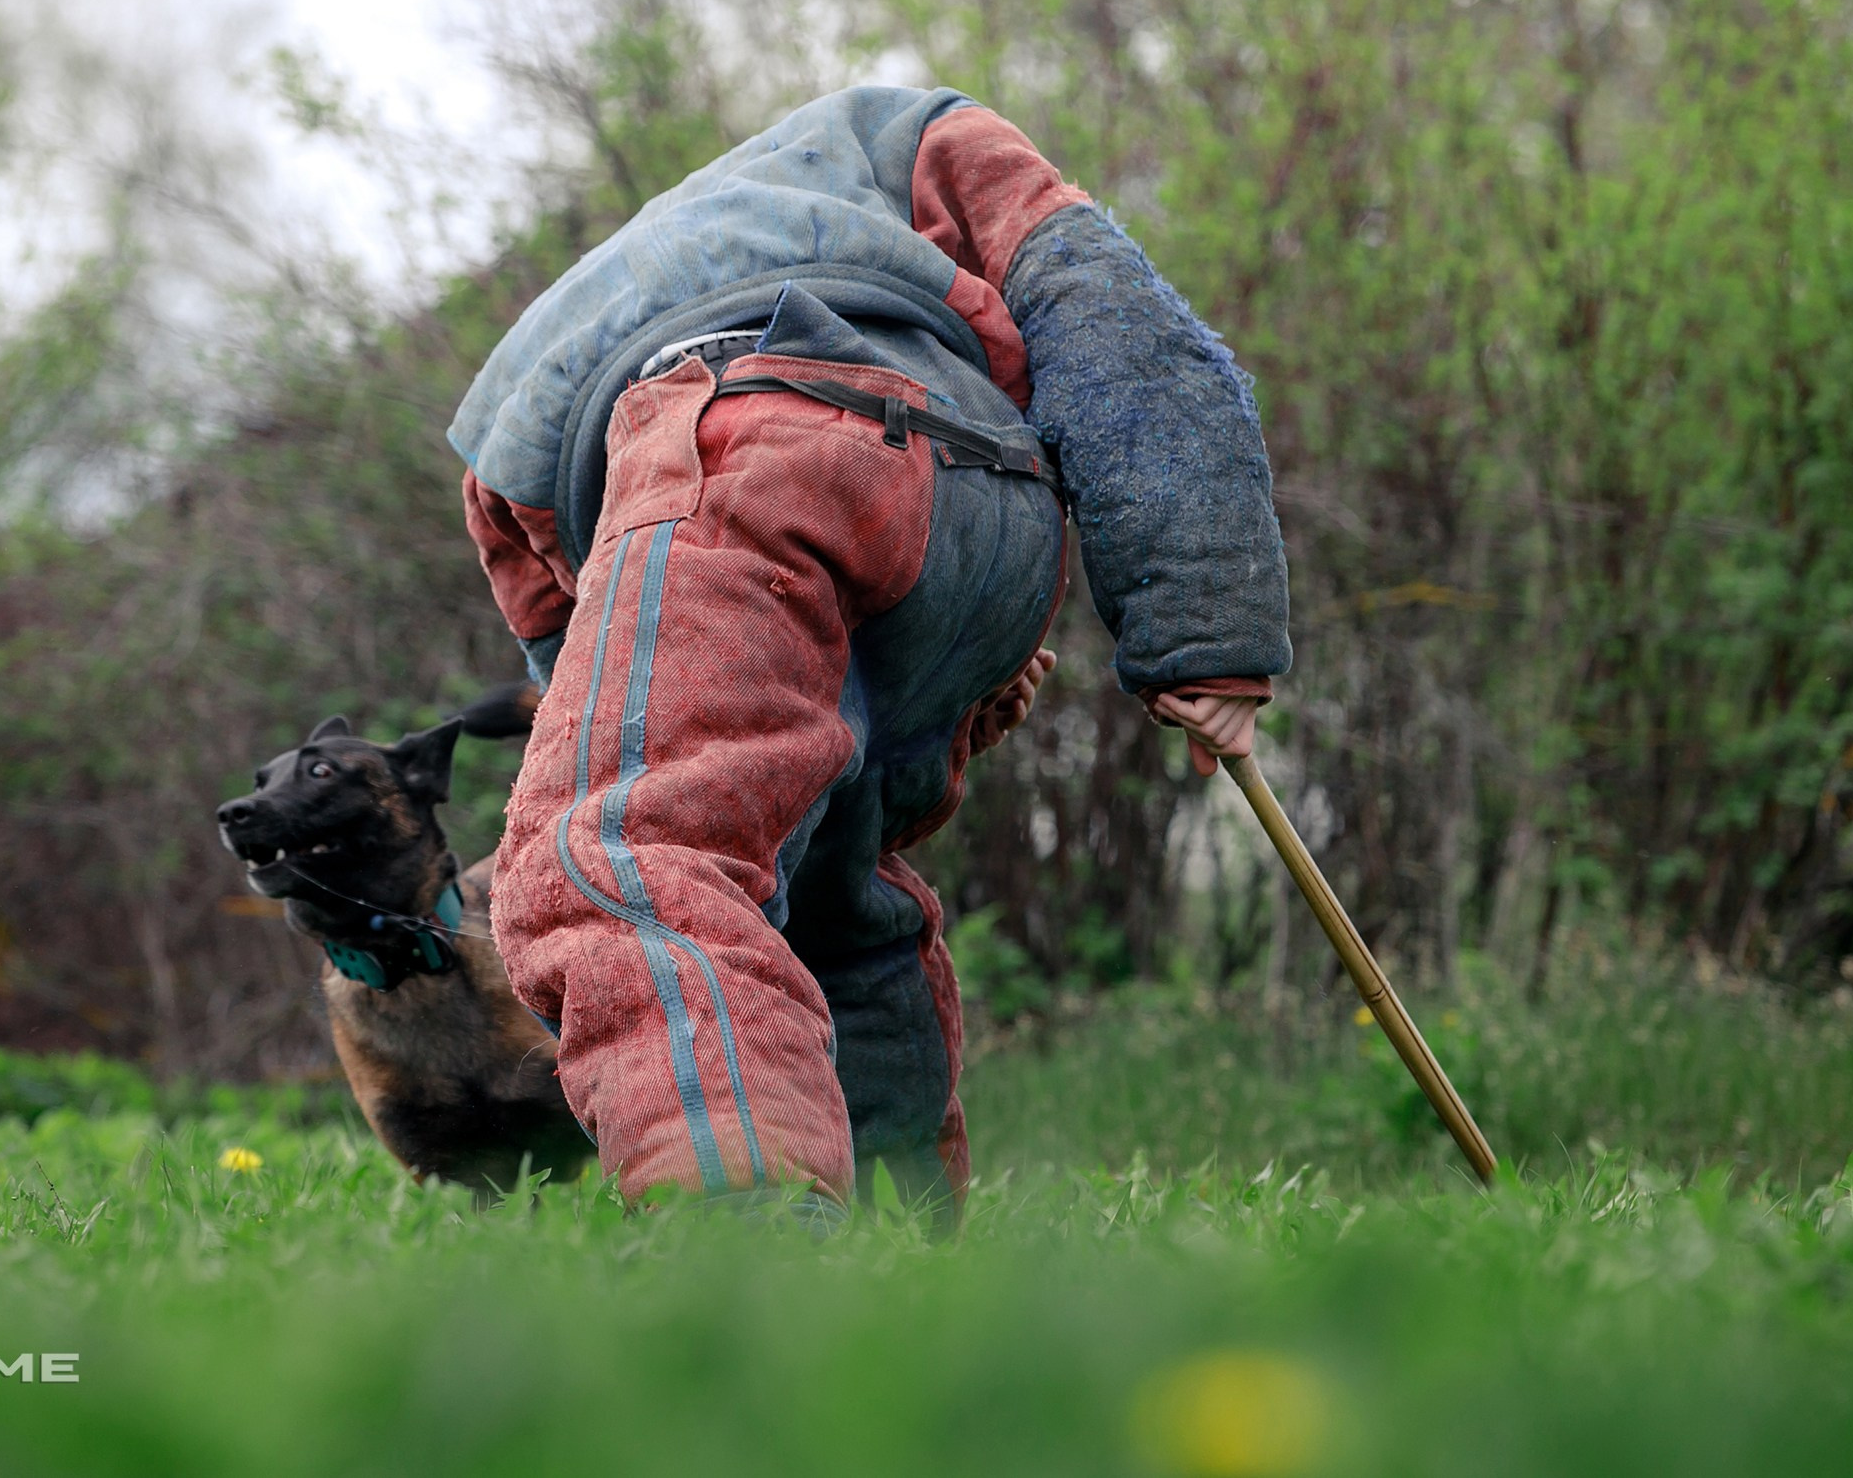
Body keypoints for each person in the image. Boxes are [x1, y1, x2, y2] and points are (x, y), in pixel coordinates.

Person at [451, 87, 1289, 1214]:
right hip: (989, 519)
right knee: (828, 886)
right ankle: (904, 1250)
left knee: (633, 850)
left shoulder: (520, 392)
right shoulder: (910, 136)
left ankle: (745, 1233)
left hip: (753, 439)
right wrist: (1202, 632)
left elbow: (587, 673)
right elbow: (1118, 324)